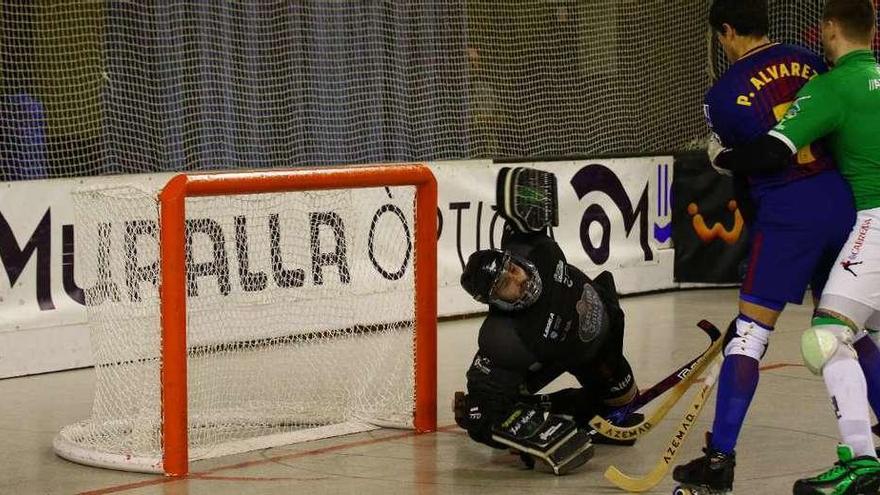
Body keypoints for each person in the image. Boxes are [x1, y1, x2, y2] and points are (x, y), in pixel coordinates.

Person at [672, 1, 859, 493]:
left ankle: (719, 462)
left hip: (786, 213)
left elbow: (746, 173)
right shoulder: (814, 62)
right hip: (840, 203)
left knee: (750, 336)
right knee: (850, 333)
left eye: (721, 37)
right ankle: (871, 450)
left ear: (728, 31)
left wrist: (759, 250)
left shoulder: (722, 94)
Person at [453, 168, 641, 475]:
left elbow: (528, 189)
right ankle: (540, 411)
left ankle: (545, 406)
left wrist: (518, 190)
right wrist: (483, 416)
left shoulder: (531, 246)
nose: (517, 280)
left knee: (625, 404)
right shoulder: (504, 338)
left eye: (511, 269)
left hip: (604, 338)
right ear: (495, 301)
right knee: (491, 408)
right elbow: (479, 413)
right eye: (504, 285)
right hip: (553, 354)